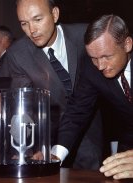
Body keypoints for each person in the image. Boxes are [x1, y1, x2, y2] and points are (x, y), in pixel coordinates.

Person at [2, 0, 103, 169]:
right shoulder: (17, 54)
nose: (31, 30)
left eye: (38, 19)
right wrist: (28, 146)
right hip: (49, 137)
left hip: (90, 129)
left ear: (54, 14)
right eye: (24, 23)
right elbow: (24, 107)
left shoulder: (85, 35)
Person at [51, 14, 133, 179]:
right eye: (94, 58)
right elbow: (77, 111)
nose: (100, 66)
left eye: (106, 57)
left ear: (127, 44)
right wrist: (55, 156)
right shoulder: (91, 67)